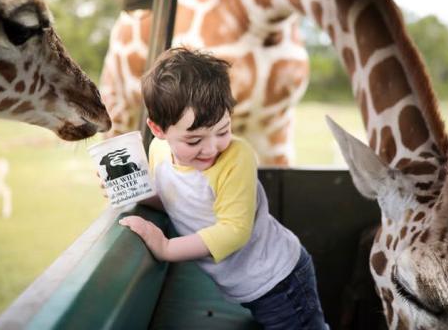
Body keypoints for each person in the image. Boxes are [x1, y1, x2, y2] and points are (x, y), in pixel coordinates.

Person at [119, 47, 328, 329]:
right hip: (247, 285)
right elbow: (173, 198)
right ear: (159, 131)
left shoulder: (236, 158)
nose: (212, 148)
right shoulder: (157, 152)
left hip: (280, 280)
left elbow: (234, 231)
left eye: (223, 130)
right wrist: (136, 192)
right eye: (194, 141)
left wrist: (166, 248)